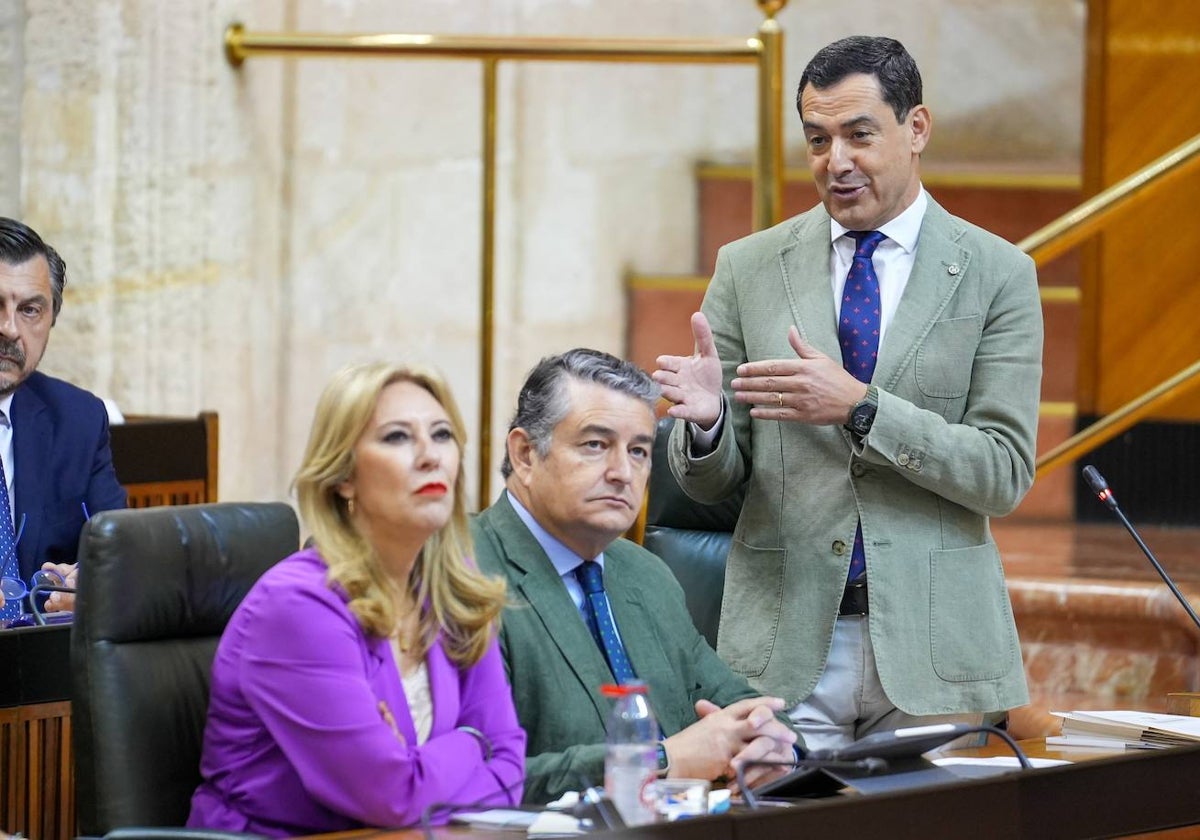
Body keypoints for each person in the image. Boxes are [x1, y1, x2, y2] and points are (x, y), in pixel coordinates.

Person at [653, 36, 1042, 750]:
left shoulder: (998, 273)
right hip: (785, 645)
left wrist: (863, 408)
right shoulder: (748, 269)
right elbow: (712, 482)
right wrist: (706, 427)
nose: (836, 162)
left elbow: (1002, 473)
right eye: (817, 139)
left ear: (916, 128)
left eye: (859, 135)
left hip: (936, 647)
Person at [188, 362, 525, 835]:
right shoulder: (299, 606)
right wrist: (473, 742)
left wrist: (420, 767)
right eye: (397, 437)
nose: (431, 456)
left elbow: (511, 766)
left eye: (443, 434)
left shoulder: (455, 589)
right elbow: (392, 797)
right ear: (343, 475)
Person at [473, 348, 797, 804]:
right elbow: (473, 778)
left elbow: (738, 702)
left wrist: (771, 744)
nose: (623, 473)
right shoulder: (463, 570)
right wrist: (662, 761)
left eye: (639, 450)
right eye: (595, 445)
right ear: (525, 454)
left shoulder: (644, 572)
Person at [0, 217, 126, 624]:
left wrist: (92, 585)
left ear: (51, 319)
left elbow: (121, 553)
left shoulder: (78, 420)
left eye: (30, 310)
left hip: (50, 667)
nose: (10, 329)